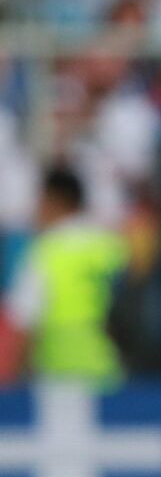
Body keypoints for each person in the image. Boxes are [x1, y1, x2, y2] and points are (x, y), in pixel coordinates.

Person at [4, 164, 127, 385]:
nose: (35, 210)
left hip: (61, 375)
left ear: (55, 202)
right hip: (109, 371)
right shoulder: (111, 246)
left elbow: (23, 324)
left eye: (40, 201)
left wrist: (13, 383)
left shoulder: (46, 252)